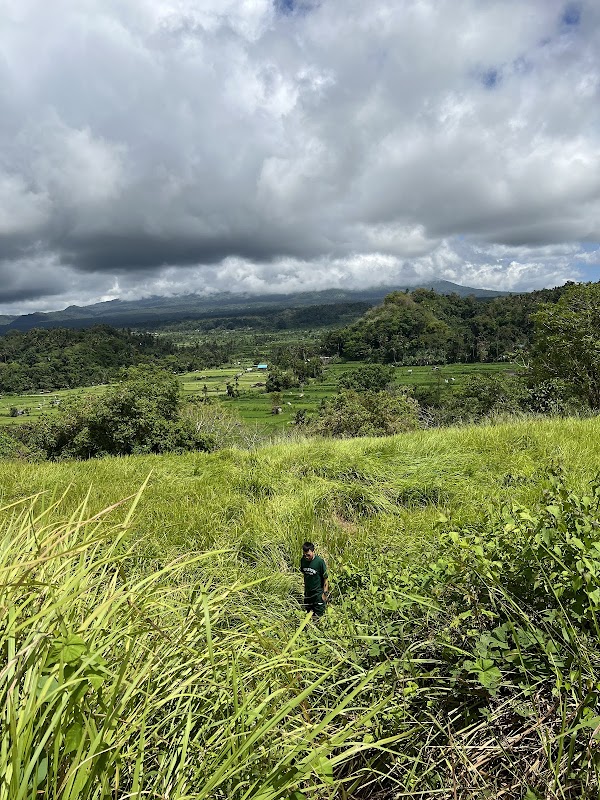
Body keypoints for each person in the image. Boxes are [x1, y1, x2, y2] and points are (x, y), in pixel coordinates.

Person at [300, 541, 329, 618]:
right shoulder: (303, 560)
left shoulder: (319, 562)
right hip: (308, 594)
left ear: (313, 551)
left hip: (318, 595)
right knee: (308, 615)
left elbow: (326, 579)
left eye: (308, 555)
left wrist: (325, 594)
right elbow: (304, 574)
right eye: (304, 555)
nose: (306, 557)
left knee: (318, 617)